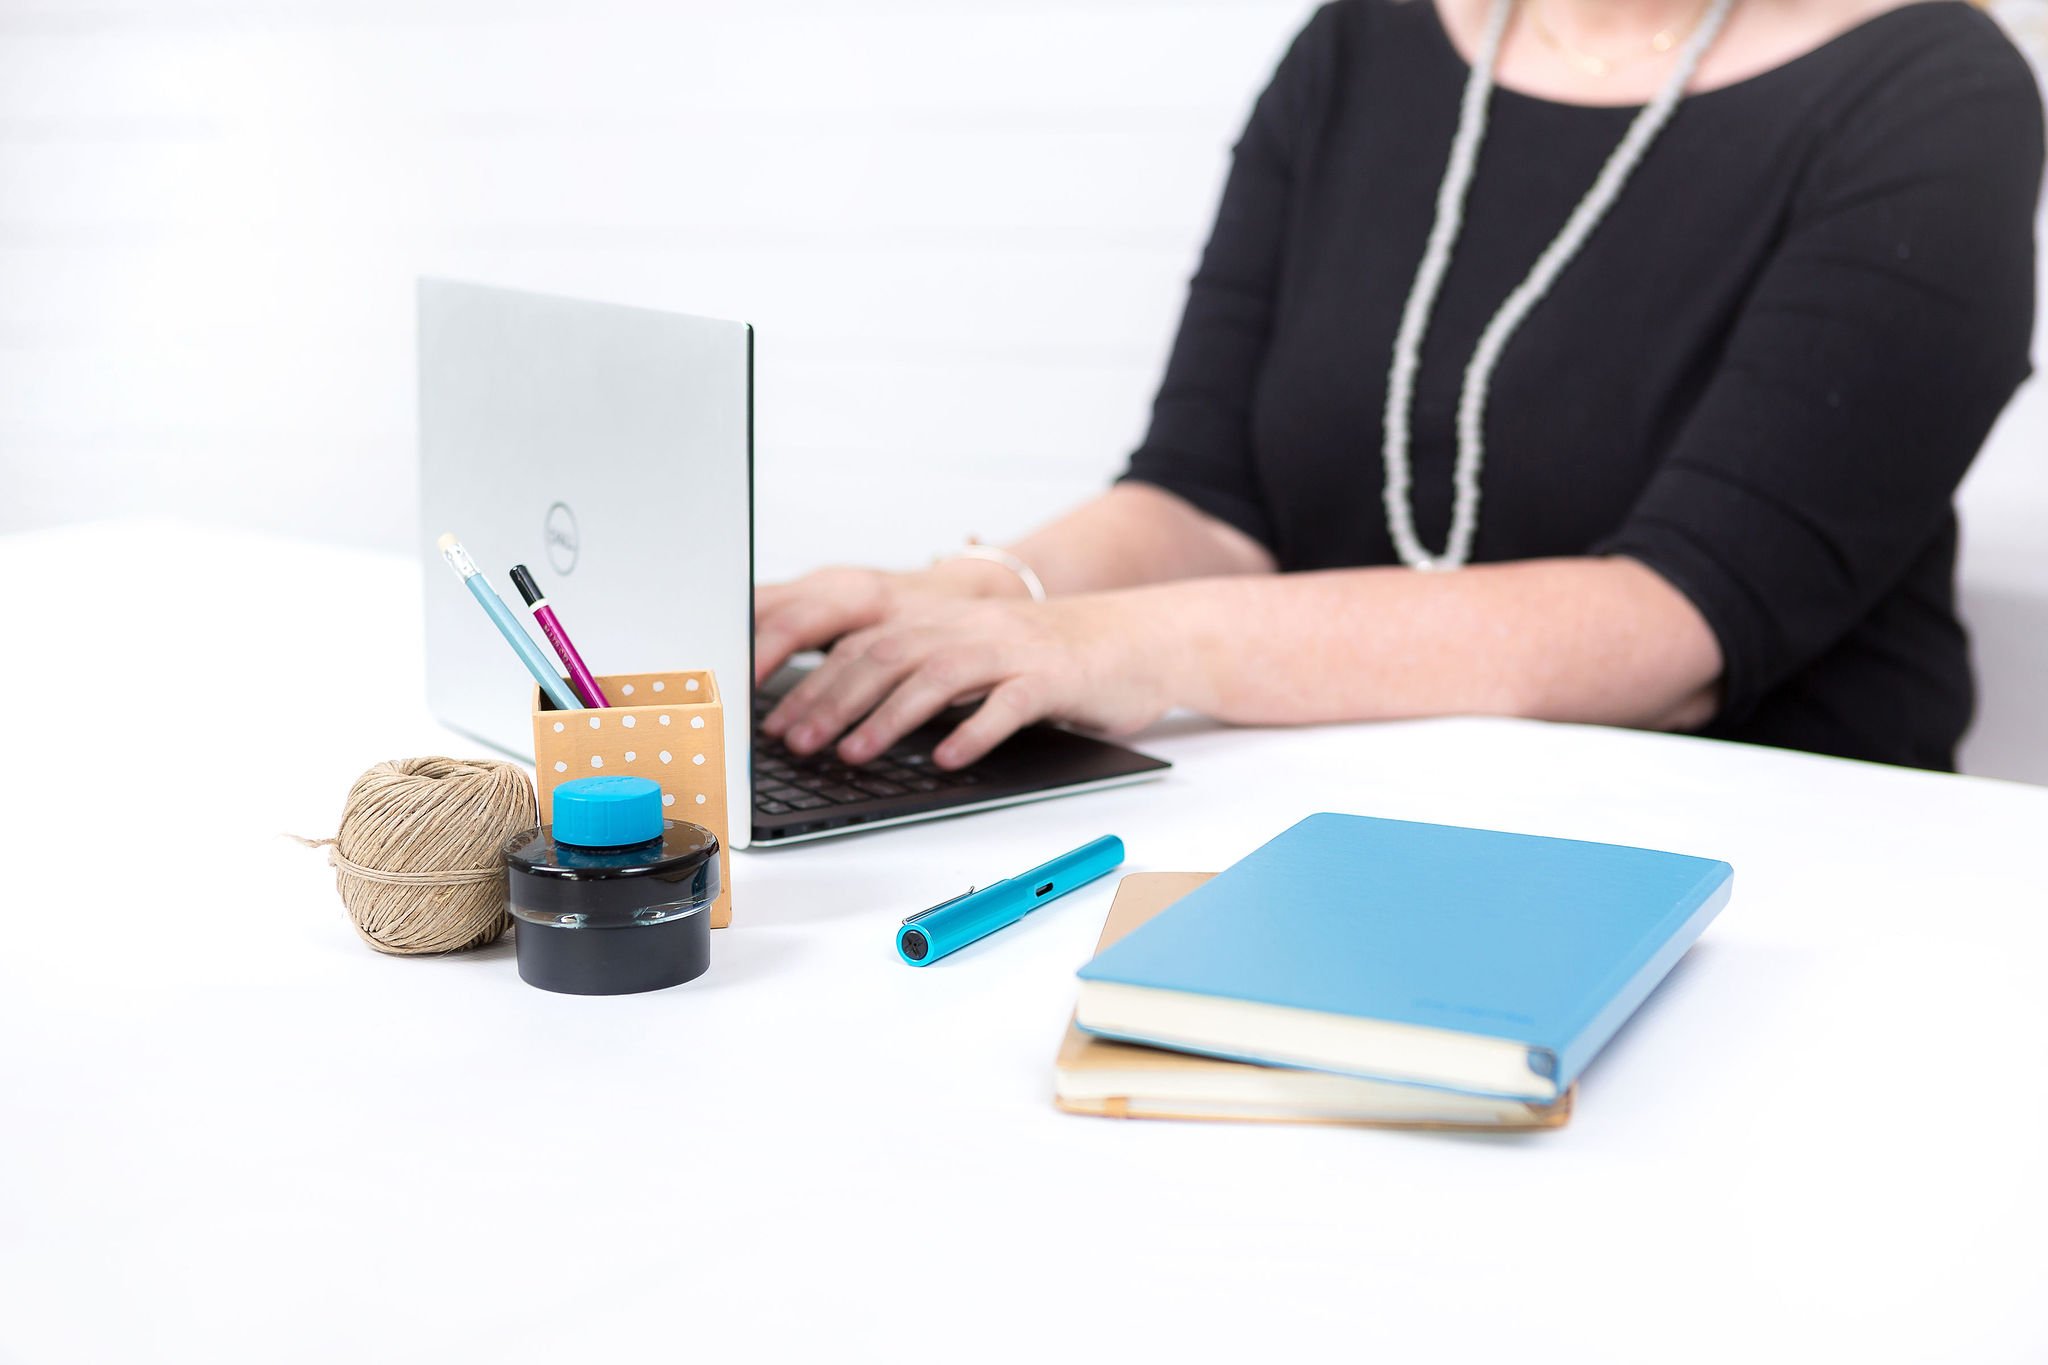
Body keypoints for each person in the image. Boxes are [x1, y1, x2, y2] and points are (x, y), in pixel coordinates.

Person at [756, 0, 2044, 774]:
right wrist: (971, 600)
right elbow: (1205, 502)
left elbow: (1680, 632)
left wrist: (1122, 646)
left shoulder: (1938, 98)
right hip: (1355, 815)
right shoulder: (1360, 42)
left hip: (1771, 873)